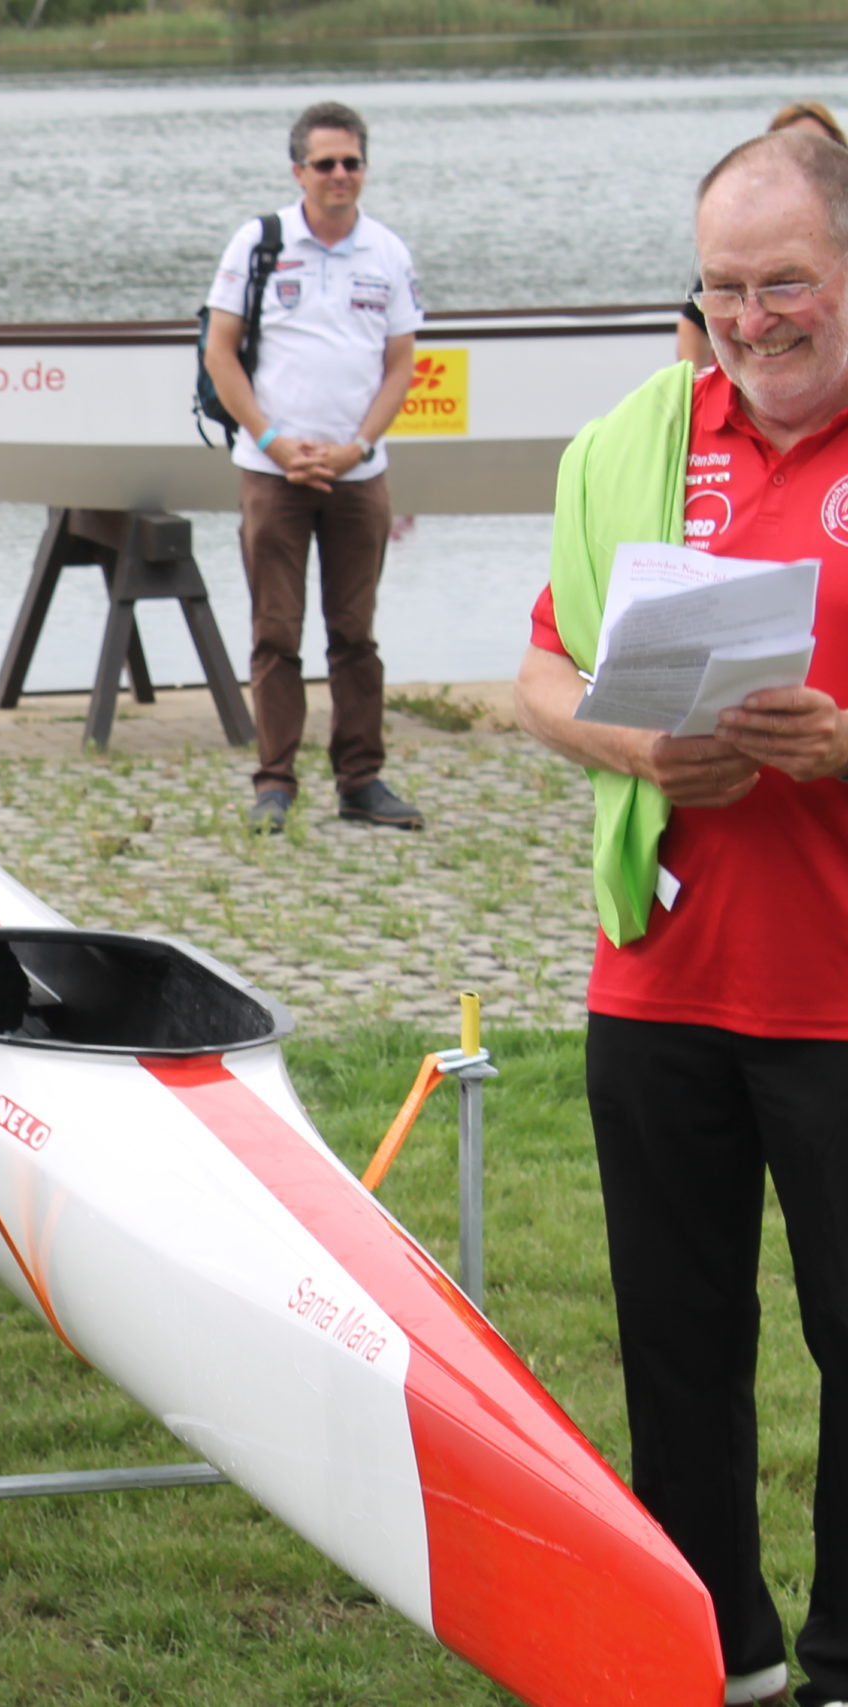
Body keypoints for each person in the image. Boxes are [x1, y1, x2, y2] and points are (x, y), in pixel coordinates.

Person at [513, 128, 848, 1707]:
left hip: (840, 992)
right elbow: (540, 670)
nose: (751, 319)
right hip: (661, 978)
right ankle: (727, 1657)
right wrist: (636, 744)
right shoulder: (637, 442)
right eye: (723, 288)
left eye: (785, 283)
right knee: (677, 1343)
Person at [201, 100, 425, 835]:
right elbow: (220, 352)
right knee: (276, 634)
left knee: (355, 635)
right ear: (298, 170)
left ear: (365, 168)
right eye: (325, 163)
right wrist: (272, 442)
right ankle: (275, 784)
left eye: (351, 162)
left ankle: (361, 781)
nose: (339, 175)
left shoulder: (387, 252)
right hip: (274, 471)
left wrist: (360, 444)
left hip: (358, 473)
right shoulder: (258, 244)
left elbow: (401, 364)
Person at [677, 102, 846, 370]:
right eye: (787, 151)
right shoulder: (739, 249)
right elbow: (691, 324)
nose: (751, 326)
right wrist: (694, 384)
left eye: (788, 285)